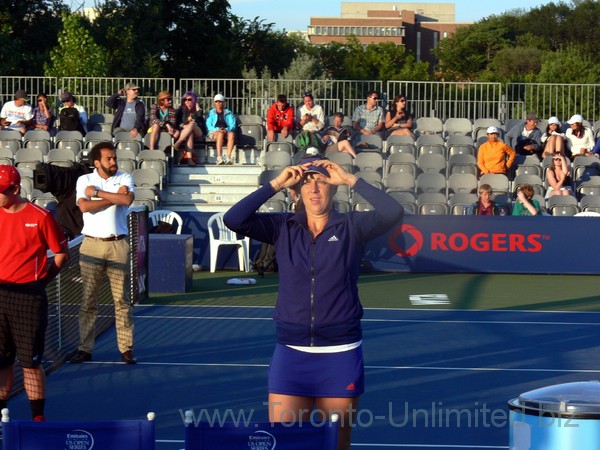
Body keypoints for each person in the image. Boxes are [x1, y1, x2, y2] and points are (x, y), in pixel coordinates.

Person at [223, 157, 403, 450]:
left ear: (332, 189)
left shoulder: (352, 226)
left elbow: (393, 211)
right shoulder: (282, 227)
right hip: (291, 354)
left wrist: (349, 179)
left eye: (321, 180)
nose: (314, 188)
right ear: (297, 192)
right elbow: (234, 219)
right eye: (307, 181)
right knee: (285, 443)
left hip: (340, 354)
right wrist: (277, 183)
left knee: (336, 445)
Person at [0, 165, 69, 420]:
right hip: (0, 295)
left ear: (15, 189)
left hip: (29, 297)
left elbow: (61, 254)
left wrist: (41, 282)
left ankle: (37, 419)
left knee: (30, 362)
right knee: (2, 361)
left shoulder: (40, 216)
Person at [70, 142, 136, 365]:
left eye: (114, 158)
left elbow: (126, 200)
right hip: (91, 245)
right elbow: (84, 207)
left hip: (118, 245)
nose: (113, 162)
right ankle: (84, 349)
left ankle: (126, 349)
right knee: (88, 300)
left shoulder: (125, 177)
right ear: (97, 162)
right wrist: (112, 197)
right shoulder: (84, 180)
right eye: (109, 158)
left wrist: (97, 194)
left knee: (122, 301)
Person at [174, 91, 207, 166]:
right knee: (190, 133)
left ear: (194, 100)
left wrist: (197, 106)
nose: (187, 102)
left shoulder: (197, 110)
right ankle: (189, 160)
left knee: (192, 124)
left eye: (189, 100)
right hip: (186, 132)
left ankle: (178, 142)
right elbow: (177, 122)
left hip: (198, 131)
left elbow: (200, 116)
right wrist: (183, 126)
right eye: (185, 100)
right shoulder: (181, 110)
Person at [206, 94, 236, 165]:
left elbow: (233, 125)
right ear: (214, 103)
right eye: (216, 101)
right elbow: (208, 125)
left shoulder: (228, 113)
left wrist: (226, 129)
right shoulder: (211, 113)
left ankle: (228, 157)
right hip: (214, 132)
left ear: (224, 103)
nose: (218, 103)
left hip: (226, 131)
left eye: (220, 101)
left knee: (231, 134)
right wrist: (218, 129)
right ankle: (219, 157)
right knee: (220, 133)